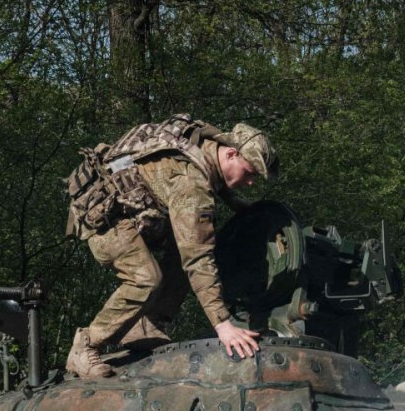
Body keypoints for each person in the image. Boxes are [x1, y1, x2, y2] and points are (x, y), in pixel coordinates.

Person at [63, 115, 279, 378]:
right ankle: (86, 345)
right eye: (250, 173)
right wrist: (223, 324)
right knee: (145, 279)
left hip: (129, 208)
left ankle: (147, 324)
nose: (251, 182)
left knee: (185, 245)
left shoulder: (208, 145)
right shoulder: (192, 185)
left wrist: (236, 203)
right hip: (105, 219)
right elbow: (198, 258)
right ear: (232, 154)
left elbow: (212, 177)